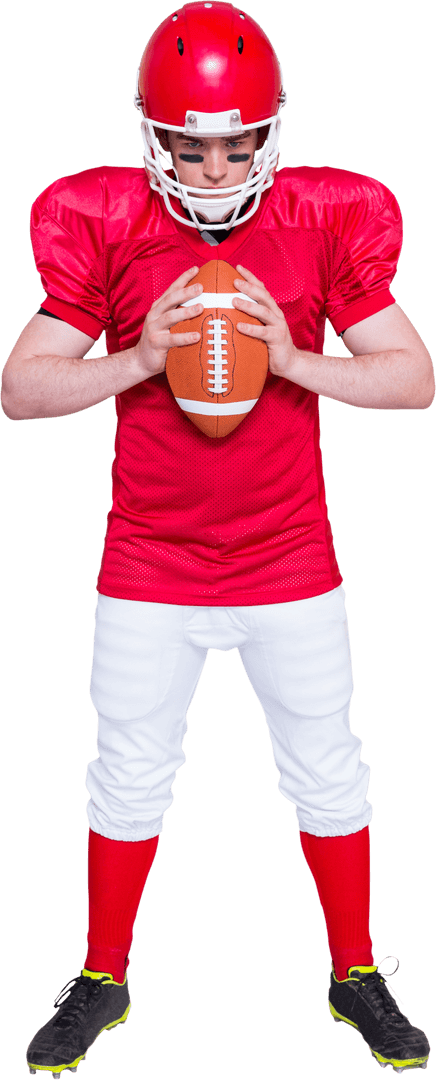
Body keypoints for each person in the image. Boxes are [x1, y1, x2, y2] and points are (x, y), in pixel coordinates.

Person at [2, 3, 433, 1077]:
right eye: (189, 147)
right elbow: (21, 388)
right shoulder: (105, 223)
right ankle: (103, 979)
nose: (210, 167)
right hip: (148, 563)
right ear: (154, 139)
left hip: (290, 559)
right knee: (126, 773)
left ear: (268, 134)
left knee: (329, 770)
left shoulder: (323, 221)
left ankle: (354, 975)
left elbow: (412, 378)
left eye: (234, 144)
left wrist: (290, 362)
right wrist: (138, 358)